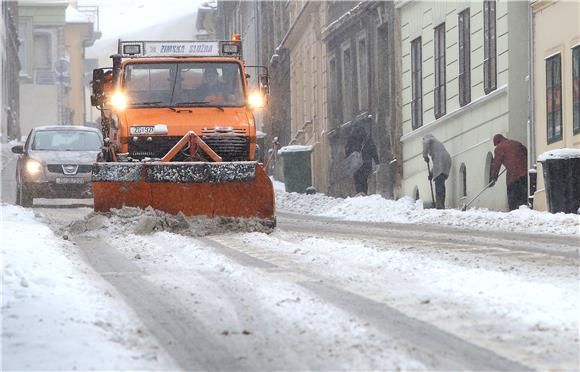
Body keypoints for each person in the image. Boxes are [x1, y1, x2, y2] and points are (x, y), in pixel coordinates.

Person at [489, 134, 528, 211]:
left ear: (497, 142)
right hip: (525, 174)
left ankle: (514, 211)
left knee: (513, 198)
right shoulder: (516, 143)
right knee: (524, 195)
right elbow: (526, 152)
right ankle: (525, 209)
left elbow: (497, 164)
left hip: (513, 176)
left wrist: (494, 177)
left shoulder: (499, 148)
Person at [345, 125, 379, 195]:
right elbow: (373, 150)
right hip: (366, 162)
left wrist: (349, 159)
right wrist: (377, 161)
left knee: (357, 179)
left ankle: (359, 192)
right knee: (364, 179)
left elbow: (347, 151)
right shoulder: (367, 139)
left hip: (356, 163)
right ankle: (364, 192)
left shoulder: (351, 139)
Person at [422, 134, 451, 209]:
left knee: (439, 182)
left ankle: (439, 204)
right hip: (446, 161)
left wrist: (425, 156)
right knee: (441, 182)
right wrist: (431, 174)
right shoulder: (437, 145)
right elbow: (436, 164)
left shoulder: (429, 140)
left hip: (441, 161)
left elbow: (425, 143)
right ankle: (441, 203)